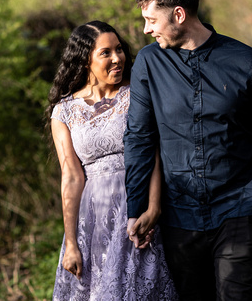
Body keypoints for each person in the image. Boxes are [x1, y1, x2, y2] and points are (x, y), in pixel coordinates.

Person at [124, 0, 252, 300]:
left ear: (179, 14)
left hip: (239, 209)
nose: (146, 29)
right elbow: (139, 138)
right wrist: (137, 206)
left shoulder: (247, 62)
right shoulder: (148, 62)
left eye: (151, 19)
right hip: (178, 216)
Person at [47, 21, 178, 300]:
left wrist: (153, 208)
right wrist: (71, 242)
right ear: (85, 60)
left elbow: (153, 153)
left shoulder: (137, 95)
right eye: (106, 52)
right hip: (93, 221)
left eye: (119, 50)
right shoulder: (64, 112)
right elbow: (71, 176)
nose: (117, 58)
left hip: (138, 208)